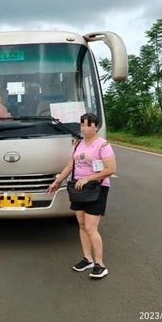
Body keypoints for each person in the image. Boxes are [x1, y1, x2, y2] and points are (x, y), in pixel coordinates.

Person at [47, 113, 116, 279]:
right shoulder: (78, 144)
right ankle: (87, 259)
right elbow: (70, 165)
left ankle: (100, 264)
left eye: (88, 125)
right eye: (82, 125)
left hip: (96, 188)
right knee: (82, 225)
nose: (84, 128)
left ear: (96, 127)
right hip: (78, 189)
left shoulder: (103, 145)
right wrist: (57, 182)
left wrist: (88, 178)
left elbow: (111, 169)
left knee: (92, 227)